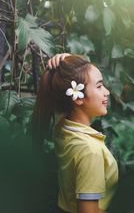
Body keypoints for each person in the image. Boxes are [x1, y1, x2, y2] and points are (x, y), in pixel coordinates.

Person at [32, 53, 118, 213]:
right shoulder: (90, 152)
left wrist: (68, 62)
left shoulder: (62, 127)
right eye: (99, 86)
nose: (107, 92)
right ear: (78, 98)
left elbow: (62, 92)